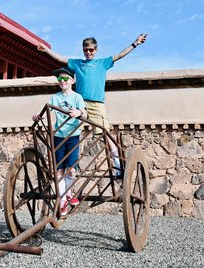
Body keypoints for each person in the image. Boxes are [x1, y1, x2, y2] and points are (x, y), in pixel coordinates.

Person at [38, 33, 148, 178]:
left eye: (91, 50)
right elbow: (61, 58)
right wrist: (47, 50)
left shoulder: (102, 63)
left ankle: (117, 166)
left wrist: (135, 43)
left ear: (96, 50)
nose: (88, 52)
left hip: (97, 104)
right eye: (85, 50)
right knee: (72, 133)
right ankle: (70, 168)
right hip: (79, 104)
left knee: (106, 133)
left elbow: (120, 55)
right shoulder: (77, 63)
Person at [32, 66, 87, 216]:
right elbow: (46, 111)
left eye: (65, 78)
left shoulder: (77, 97)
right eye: (59, 79)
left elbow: (85, 113)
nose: (62, 81)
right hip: (59, 136)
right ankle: (63, 199)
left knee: (71, 169)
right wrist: (38, 115)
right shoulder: (55, 98)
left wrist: (79, 112)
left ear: (72, 80)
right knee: (59, 170)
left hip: (73, 135)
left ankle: (68, 193)